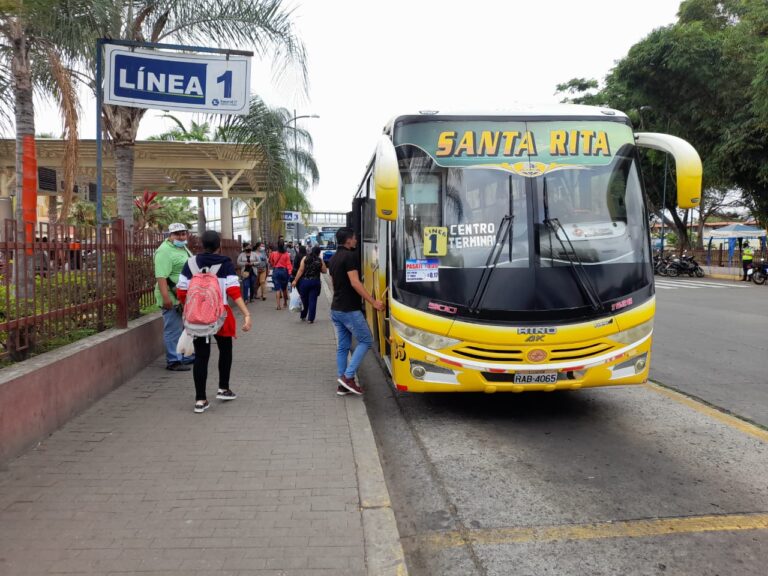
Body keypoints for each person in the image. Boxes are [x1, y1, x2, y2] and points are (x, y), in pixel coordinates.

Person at [176, 230, 252, 413]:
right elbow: (234, 291)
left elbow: (181, 292)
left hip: (198, 317)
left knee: (201, 357)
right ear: (219, 246)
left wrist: (195, 307)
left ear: (202, 244)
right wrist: (246, 314)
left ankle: (200, 400)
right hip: (222, 315)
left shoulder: (190, 263)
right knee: (225, 350)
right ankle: (223, 388)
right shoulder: (225, 263)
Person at [328, 227, 384, 396]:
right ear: (348, 240)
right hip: (349, 309)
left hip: (336, 308)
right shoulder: (349, 256)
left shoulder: (334, 258)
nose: (356, 240)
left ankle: (342, 384)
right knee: (367, 340)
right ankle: (347, 377)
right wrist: (373, 302)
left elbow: (333, 283)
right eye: (354, 238)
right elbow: (355, 283)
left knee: (343, 347)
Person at [154, 222, 194, 371]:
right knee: (172, 329)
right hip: (171, 295)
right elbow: (161, 276)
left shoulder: (182, 247)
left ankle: (185, 356)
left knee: (185, 327)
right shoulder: (164, 251)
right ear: (170, 235)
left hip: (183, 295)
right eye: (177, 234)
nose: (181, 236)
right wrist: (166, 298)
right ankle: (173, 360)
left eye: (183, 233)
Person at [292, 245, 327, 323]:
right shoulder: (319, 260)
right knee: (313, 300)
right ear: (319, 253)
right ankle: (311, 319)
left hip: (304, 282)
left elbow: (300, 270)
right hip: (315, 282)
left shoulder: (305, 258)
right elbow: (324, 271)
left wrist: (295, 280)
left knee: (304, 300)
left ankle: (303, 315)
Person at [268, 239, 293, 309]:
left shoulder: (273, 253)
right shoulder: (286, 254)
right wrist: (290, 272)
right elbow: (289, 264)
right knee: (284, 288)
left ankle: (278, 305)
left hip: (276, 271)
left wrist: (274, 265)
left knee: (277, 289)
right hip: (284, 272)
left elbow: (271, 262)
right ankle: (285, 303)